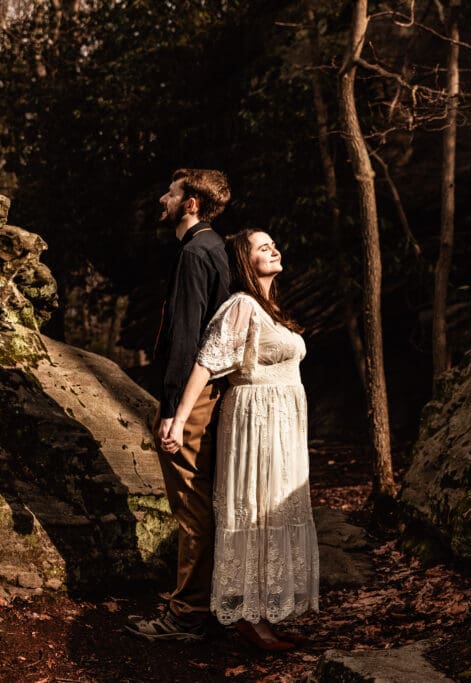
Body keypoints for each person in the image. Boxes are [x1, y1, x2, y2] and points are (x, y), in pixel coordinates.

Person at [162, 229, 319, 651]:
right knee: (256, 508)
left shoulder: (270, 308)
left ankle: (265, 611)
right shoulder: (241, 304)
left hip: (282, 424)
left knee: (276, 508)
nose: (274, 248)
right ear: (245, 262)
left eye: (274, 243)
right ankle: (249, 617)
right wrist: (177, 420)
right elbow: (206, 362)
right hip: (255, 422)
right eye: (262, 247)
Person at [126, 168, 231, 642]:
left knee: (192, 508)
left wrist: (173, 409)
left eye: (170, 193)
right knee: (200, 504)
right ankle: (194, 604)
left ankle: (188, 615)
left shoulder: (196, 252)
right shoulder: (212, 247)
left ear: (191, 203)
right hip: (203, 394)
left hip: (193, 396)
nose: (161, 200)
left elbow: (188, 337)